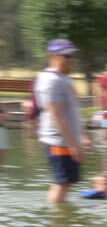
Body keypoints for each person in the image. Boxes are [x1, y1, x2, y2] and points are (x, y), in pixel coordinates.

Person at [35, 38, 91, 204]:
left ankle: (61, 219)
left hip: (67, 140)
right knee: (62, 183)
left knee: (66, 183)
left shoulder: (63, 78)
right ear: (53, 56)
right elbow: (56, 115)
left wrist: (82, 136)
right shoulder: (51, 80)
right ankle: (57, 223)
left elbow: (72, 112)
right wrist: (73, 145)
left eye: (72, 55)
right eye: (67, 56)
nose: (71, 60)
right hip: (58, 141)